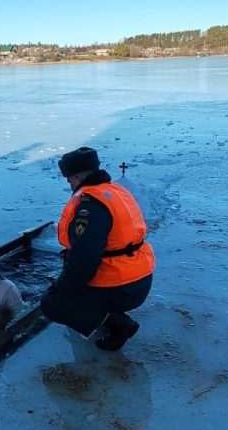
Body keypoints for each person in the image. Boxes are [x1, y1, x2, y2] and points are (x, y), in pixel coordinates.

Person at [41, 147, 155, 351]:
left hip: (123, 283)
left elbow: (84, 259)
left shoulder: (91, 205)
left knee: (51, 304)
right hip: (139, 275)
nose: (71, 187)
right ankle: (105, 310)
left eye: (70, 181)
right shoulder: (113, 190)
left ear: (77, 176)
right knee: (71, 285)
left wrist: (61, 288)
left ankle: (118, 323)